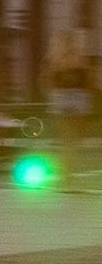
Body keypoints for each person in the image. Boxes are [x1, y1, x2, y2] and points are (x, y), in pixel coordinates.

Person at [43, 29, 94, 190]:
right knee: (72, 141)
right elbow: (88, 81)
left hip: (63, 98)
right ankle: (67, 177)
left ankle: (66, 177)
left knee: (67, 140)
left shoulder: (55, 58)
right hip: (75, 98)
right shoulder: (79, 58)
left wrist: (52, 96)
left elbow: (48, 81)